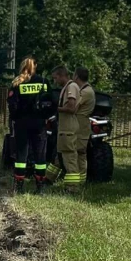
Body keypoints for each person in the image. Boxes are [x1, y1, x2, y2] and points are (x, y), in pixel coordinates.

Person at [7, 57, 55, 194]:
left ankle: (19, 186)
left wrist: (16, 118)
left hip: (21, 124)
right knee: (40, 156)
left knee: (21, 156)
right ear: (36, 66)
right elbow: (52, 102)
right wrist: (45, 116)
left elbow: (11, 104)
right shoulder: (44, 82)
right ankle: (40, 187)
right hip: (39, 124)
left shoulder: (17, 82)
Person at [53, 64, 95, 192]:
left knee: (73, 155)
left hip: (77, 126)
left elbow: (73, 107)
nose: (54, 81)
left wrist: (55, 108)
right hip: (76, 126)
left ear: (76, 76)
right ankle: (53, 179)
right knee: (71, 154)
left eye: (55, 78)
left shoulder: (82, 90)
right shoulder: (79, 88)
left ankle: (73, 186)